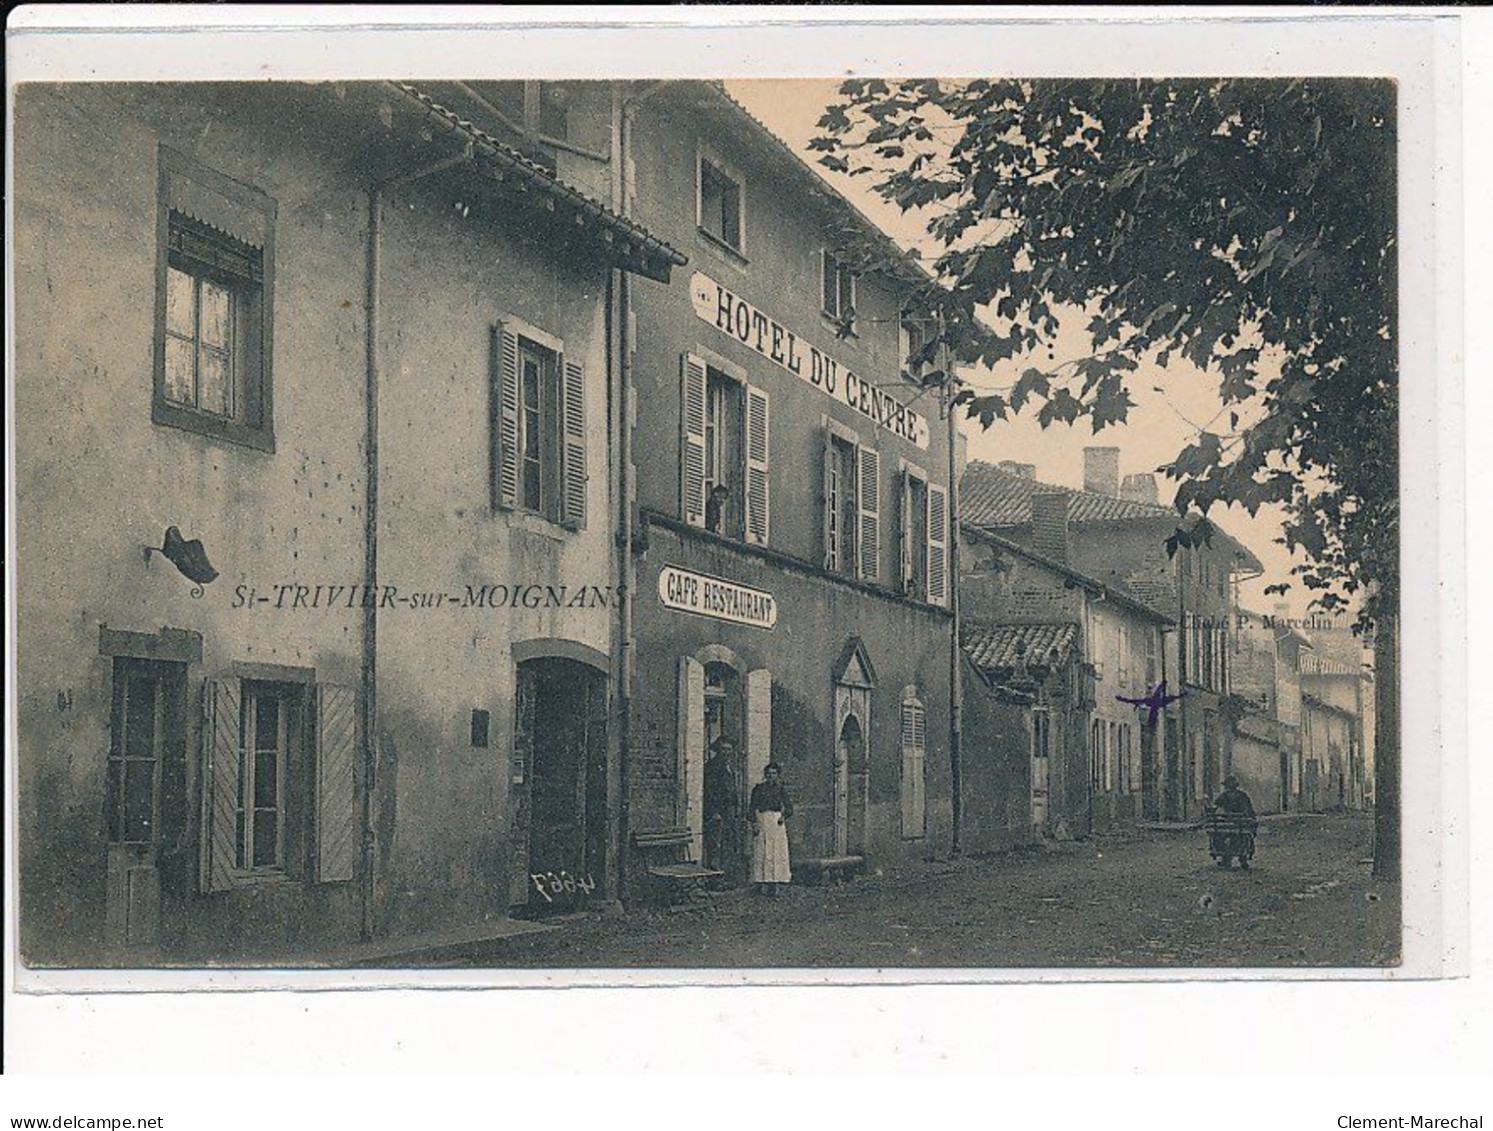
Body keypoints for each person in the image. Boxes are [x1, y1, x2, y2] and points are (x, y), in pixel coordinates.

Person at [748, 762, 793, 895]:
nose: (771, 776)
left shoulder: (781, 789)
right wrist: (754, 823)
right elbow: (752, 807)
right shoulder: (758, 789)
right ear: (765, 775)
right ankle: (761, 881)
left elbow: (789, 808)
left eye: (774, 774)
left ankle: (775, 882)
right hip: (762, 820)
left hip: (776, 822)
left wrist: (783, 817)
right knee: (762, 850)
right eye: (768, 774)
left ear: (778, 775)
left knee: (776, 852)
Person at [703, 738, 738, 875]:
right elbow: (710, 791)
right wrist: (714, 812)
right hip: (717, 812)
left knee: (726, 842)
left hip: (728, 811)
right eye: (724, 749)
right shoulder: (712, 767)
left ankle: (725, 875)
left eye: (729, 749)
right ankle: (714, 876)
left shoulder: (729, 766)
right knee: (715, 844)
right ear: (718, 750)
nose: (727, 752)